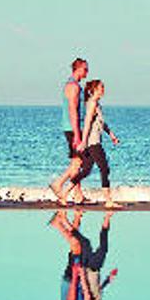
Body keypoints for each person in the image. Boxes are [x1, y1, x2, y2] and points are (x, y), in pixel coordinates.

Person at [73, 79, 121, 208]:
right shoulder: (92, 104)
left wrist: (111, 135)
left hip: (94, 141)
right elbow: (87, 123)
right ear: (93, 90)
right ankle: (108, 201)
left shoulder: (97, 104)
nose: (103, 89)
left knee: (87, 170)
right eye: (101, 87)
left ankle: (66, 190)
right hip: (93, 143)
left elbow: (101, 123)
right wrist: (83, 141)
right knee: (104, 168)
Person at [50, 58, 88, 205]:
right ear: (77, 69)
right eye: (85, 69)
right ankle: (58, 183)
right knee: (79, 162)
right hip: (73, 128)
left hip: (71, 128)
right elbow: (73, 110)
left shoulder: (72, 84)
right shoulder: (73, 86)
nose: (87, 72)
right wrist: (77, 135)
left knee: (76, 161)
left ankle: (78, 195)